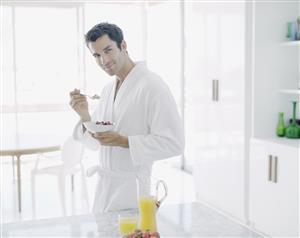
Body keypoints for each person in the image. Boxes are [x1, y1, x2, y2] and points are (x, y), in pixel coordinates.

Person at [69, 22, 184, 213]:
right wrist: (84, 115)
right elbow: (95, 141)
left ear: (123, 45)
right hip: (105, 190)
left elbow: (174, 143)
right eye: (96, 55)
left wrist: (125, 141)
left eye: (108, 50)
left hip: (133, 192)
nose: (104, 60)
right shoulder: (108, 89)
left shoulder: (153, 86)